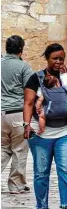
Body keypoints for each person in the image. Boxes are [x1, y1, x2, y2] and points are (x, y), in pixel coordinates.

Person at [23, 43, 67, 209]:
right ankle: (42, 207)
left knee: (66, 168)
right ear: (47, 59)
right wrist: (26, 125)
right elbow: (28, 103)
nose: (58, 62)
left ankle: (66, 206)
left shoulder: (65, 77)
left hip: (65, 131)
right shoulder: (36, 78)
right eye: (55, 58)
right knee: (41, 171)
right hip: (41, 133)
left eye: (61, 59)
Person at [1, 35, 33, 194]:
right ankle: (16, 184)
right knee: (19, 150)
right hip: (18, 113)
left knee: (3, 149)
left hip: (1, 113)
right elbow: (30, 92)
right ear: (21, 49)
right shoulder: (24, 67)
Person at [35, 66, 67, 134]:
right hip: (65, 111)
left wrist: (38, 108)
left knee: (42, 117)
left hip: (50, 112)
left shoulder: (46, 92)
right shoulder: (64, 90)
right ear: (58, 83)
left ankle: (41, 129)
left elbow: (39, 100)